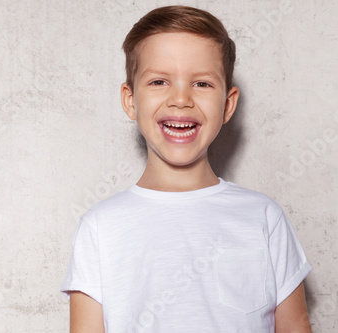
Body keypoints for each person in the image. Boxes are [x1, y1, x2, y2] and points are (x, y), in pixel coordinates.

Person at [61, 5, 312, 332]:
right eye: (159, 81)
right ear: (130, 100)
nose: (181, 99)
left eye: (202, 84)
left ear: (228, 104)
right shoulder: (100, 227)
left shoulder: (264, 217)